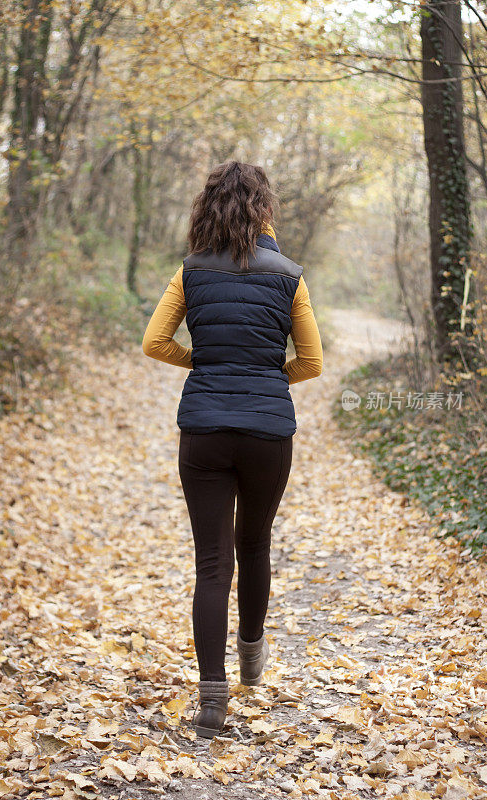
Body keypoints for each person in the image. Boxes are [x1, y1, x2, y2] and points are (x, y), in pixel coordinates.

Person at [142, 161, 323, 739]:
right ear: (263, 210)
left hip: (204, 430)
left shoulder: (190, 272)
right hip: (267, 432)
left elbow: (154, 342)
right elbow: (313, 363)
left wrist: (207, 363)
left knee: (212, 562)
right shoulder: (288, 274)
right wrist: (267, 378)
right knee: (255, 543)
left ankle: (213, 699)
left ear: (206, 211)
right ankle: (251, 661)